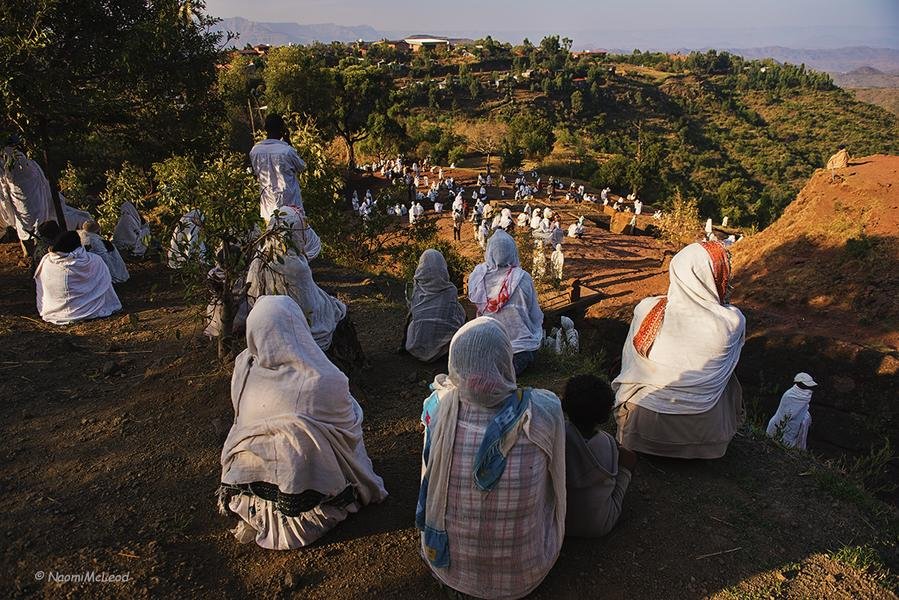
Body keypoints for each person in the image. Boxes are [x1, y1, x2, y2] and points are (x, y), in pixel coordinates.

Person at [218, 296, 387, 550]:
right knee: (345, 414)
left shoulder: (244, 367)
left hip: (247, 494)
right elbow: (347, 425)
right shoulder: (323, 379)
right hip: (305, 513)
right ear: (298, 327)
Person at [416, 318, 565, 599]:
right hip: (522, 575)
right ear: (505, 360)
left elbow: (429, 470)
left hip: (452, 571)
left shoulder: (436, 409)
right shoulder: (544, 411)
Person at [612, 241, 745, 459]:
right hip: (703, 435)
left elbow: (629, 364)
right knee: (727, 375)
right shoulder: (731, 322)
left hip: (639, 428)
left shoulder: (647, 309)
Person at [562, 374, 635, 538]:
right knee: (629, 458)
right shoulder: (607, 442)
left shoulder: (557, 435)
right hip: (600, 524)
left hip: (560, 521)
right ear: (604, 415)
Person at [468, 230, 543, 375]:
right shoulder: (523, 278)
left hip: (486, 345)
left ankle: (491, 370)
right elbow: (535, 315)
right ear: (513, 251)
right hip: (520, 349)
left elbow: (475, 303)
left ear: (489, 252)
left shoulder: (478, 276)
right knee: (528, 347)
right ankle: (507, 371)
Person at [34, 230, 122, 325]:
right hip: (90, 309)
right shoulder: (93, 260)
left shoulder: (47, 261)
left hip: (53, 310)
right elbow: (105, 282)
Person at [402, 249, 466, 362]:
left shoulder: (415, 290)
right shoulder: (450, 290)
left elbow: (411, 309)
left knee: (413, 320)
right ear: (443, 268)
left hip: (417, 347)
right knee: (460, 311)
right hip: (444, 349)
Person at [249, 114, 307, 220]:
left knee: (273, 236)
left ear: (265, 129)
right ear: (282, 129)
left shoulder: (255, 151)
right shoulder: (287, 151)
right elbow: (301, 166)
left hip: (268, 209)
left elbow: (255, 172)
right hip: (291, 208)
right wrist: (288, 141)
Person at [766, 373, 816, 449]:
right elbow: (787, 415)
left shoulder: (805, 398)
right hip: (777, 427)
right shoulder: (789, 395)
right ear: (799, 383)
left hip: (792, 433)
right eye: (806, 385)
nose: (808, 388)